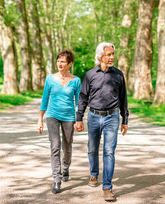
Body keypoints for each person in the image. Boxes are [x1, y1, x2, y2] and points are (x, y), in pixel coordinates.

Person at [74, 42, 129, 202]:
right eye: (108, 54)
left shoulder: (118, 75)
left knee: (109, 152)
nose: (112, 57)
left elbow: (123, 98)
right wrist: (79, 118)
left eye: (113, 54)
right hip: (93, 116)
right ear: (100, 56)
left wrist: (125, 119)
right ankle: (93, 173)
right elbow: (83, 97)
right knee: (92, 149)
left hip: (112, 117)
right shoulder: (90, 75)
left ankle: (107, 187)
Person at [38, 50, 81, 194]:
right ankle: (57, 179)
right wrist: (40, 119)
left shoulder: (76, 80)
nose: (59, 64)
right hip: (52, 115)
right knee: (55, 146)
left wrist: (79, 119)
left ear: (70, 64)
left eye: (63, 62)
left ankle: (66, 168)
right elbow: (45, 99)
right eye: (58, 61)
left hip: (69, 117)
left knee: (67, 146)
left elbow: (78, 103)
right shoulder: (50, 79)